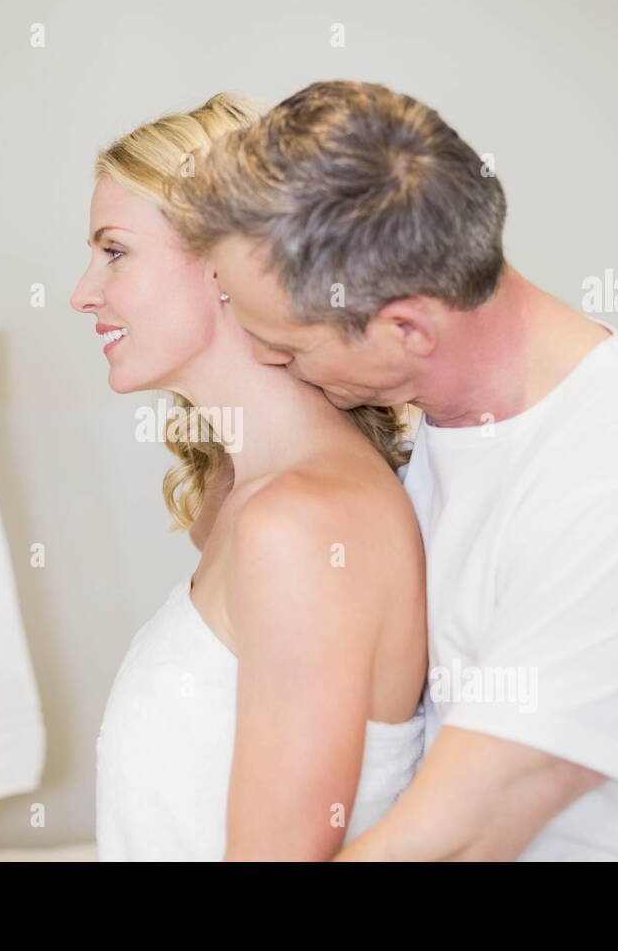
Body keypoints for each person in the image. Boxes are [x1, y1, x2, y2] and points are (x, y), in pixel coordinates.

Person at [170, 79, 618, 860]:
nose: (270, 360)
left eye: (289, 343)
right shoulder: (439, 419)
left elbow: (459, 841)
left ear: (406, 328)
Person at [71, 93, 429, 860]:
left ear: (225, 265)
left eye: (114, 251)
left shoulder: (301, 526)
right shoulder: (238, 498)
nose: (83, 292)